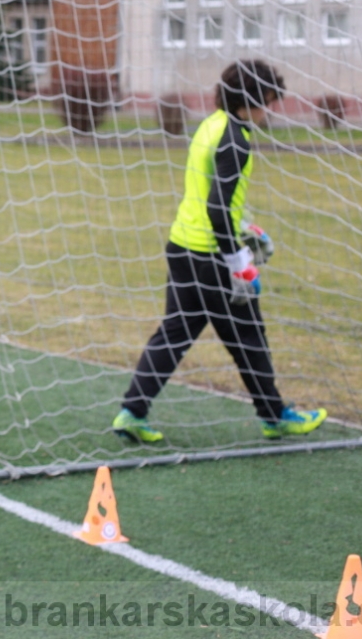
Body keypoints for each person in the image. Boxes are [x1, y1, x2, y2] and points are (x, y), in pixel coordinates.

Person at [113, 59, 326, 443]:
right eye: (269, 100)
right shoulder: (236, 140)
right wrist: (240, 263)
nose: (271, 109)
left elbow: (211, 197)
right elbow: (216, 208)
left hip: (181, 247)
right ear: (254, 98)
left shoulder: (212, 125)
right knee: (249, 336)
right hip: (210, 257)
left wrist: (245, 226)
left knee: (175, 333)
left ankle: (132, 411)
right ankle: (275, 416)